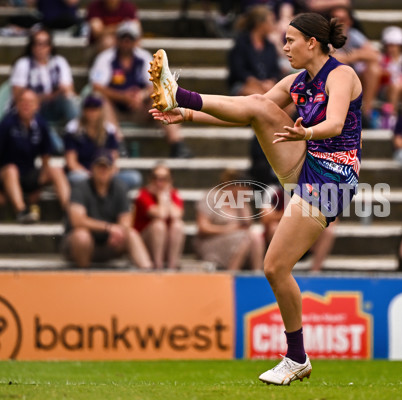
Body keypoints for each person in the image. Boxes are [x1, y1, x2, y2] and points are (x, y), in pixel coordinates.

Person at [149, 12, 363, 385]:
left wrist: (306, 134)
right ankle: (178, 95)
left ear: (312, 42)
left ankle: (296, 357)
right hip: (305, 160)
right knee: (260, 105)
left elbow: (336, 124)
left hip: (334, 176)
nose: (285, 47)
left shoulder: (341, 75)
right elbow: (248, 112)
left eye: (291, 40)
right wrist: (187, 115)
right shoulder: (297, 82)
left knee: (275, 268)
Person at [89, 21, 191, 158]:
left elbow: (157, 84)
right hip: (114, 110)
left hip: (140, 108)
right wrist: (122, 96)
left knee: (163, 96)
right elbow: (97, 87)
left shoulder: (144, 57)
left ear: (136, 40)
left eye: (130, 38)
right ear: (117, 39)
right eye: (123, 37)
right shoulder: (106, 58)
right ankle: (118, 144)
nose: (126, 41)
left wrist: (141, 95)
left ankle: (177, 143)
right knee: (99, 99)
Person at [63, 149, 152, 269]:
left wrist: (119, 231)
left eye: (106, 167)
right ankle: (83, 279)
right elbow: (77, 220)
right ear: (92, 168)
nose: (103, 170)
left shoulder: (120, 187)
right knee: (82, 236)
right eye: (99, 167)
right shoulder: (80, 187)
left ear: (112, 170)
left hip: (110, 244)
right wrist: (108, 228)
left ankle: (148, 272)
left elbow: (126, 219)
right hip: (79, 246)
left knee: (131, 234)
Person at [0, 89, 69, 223]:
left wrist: (39, 185)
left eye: (30, 102)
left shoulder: (41, 124)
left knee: (56, 170)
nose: (26, 105)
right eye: (23, 101)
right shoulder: (7, 124)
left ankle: (69, 211)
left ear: (37, 106)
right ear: (17, 104)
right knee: (11, 169)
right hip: (6, 175)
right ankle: (21, 211)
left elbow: (45, 157)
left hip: (28, 173)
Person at [63, 94, 142, 190]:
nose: (92, 112)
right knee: (76, 178)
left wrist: (104, 177)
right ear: (83, 110)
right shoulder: (73, 129)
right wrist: (91, 176)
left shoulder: (109, 130)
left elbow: (113, 161)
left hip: (105, 175)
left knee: (134, 178)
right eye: (89, 108)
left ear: (100, 110)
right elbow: (71, 163)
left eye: (95, 109)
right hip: (83, 175)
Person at [194, 169, 265, 271]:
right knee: (244, 238)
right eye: (244, 188)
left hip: (238, 241)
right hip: (211, 241)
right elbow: (203, 227)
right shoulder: (212, 197)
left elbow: (247, 224)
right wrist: (229, 229)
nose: (248, 192)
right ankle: (232, 272)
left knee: (256, 238)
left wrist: (242, 203)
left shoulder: (241, 201)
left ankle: (257, 273)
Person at [10, 27, 78, 127]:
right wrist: (46, 97)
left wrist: (58, 93)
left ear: (50, 46)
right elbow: (18, 96)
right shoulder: (23, 64)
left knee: (70, 100)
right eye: (38, 43)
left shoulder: (60, 62)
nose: (41, 48)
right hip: (32, 108)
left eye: (45, 44)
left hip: (55, 106)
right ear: (32, 46)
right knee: (30, 107)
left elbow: (69, 90)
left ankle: (78, 132)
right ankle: (56, 142)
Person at [327, 5, 381, 128]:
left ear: (349, 22)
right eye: (335, 19)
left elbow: (375, 55)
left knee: (373, 69)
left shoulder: (354, 35)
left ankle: (366, 112)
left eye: (342, 19)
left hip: (354, 78)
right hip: (330, 81)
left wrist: (351, 56)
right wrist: (354, 56)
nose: (339, 23)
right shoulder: (324, 37)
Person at [133, 164, 185, 270]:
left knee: (178, 225)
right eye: (155, 178)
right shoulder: (143, 194)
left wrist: (167, 197)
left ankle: (172, 265)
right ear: (150, 179)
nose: (159, 182)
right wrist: (161, 197)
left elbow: (177, 214)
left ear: (170, 181)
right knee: (158, 225)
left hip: (166, 244)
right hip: (145, 245)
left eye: (164, 179)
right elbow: (161, 214)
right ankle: (158, 266)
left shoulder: (174, 194)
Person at [228, 6, 282, 96]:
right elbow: (238, 70)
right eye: (271, 21)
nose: (273, 25)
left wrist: (271, 81)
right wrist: (256, 82)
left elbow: (275, 70)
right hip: (244, 84)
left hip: (267, 87)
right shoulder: (241, 43)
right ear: (260, 24)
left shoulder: (270, 46)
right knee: (260, 98)